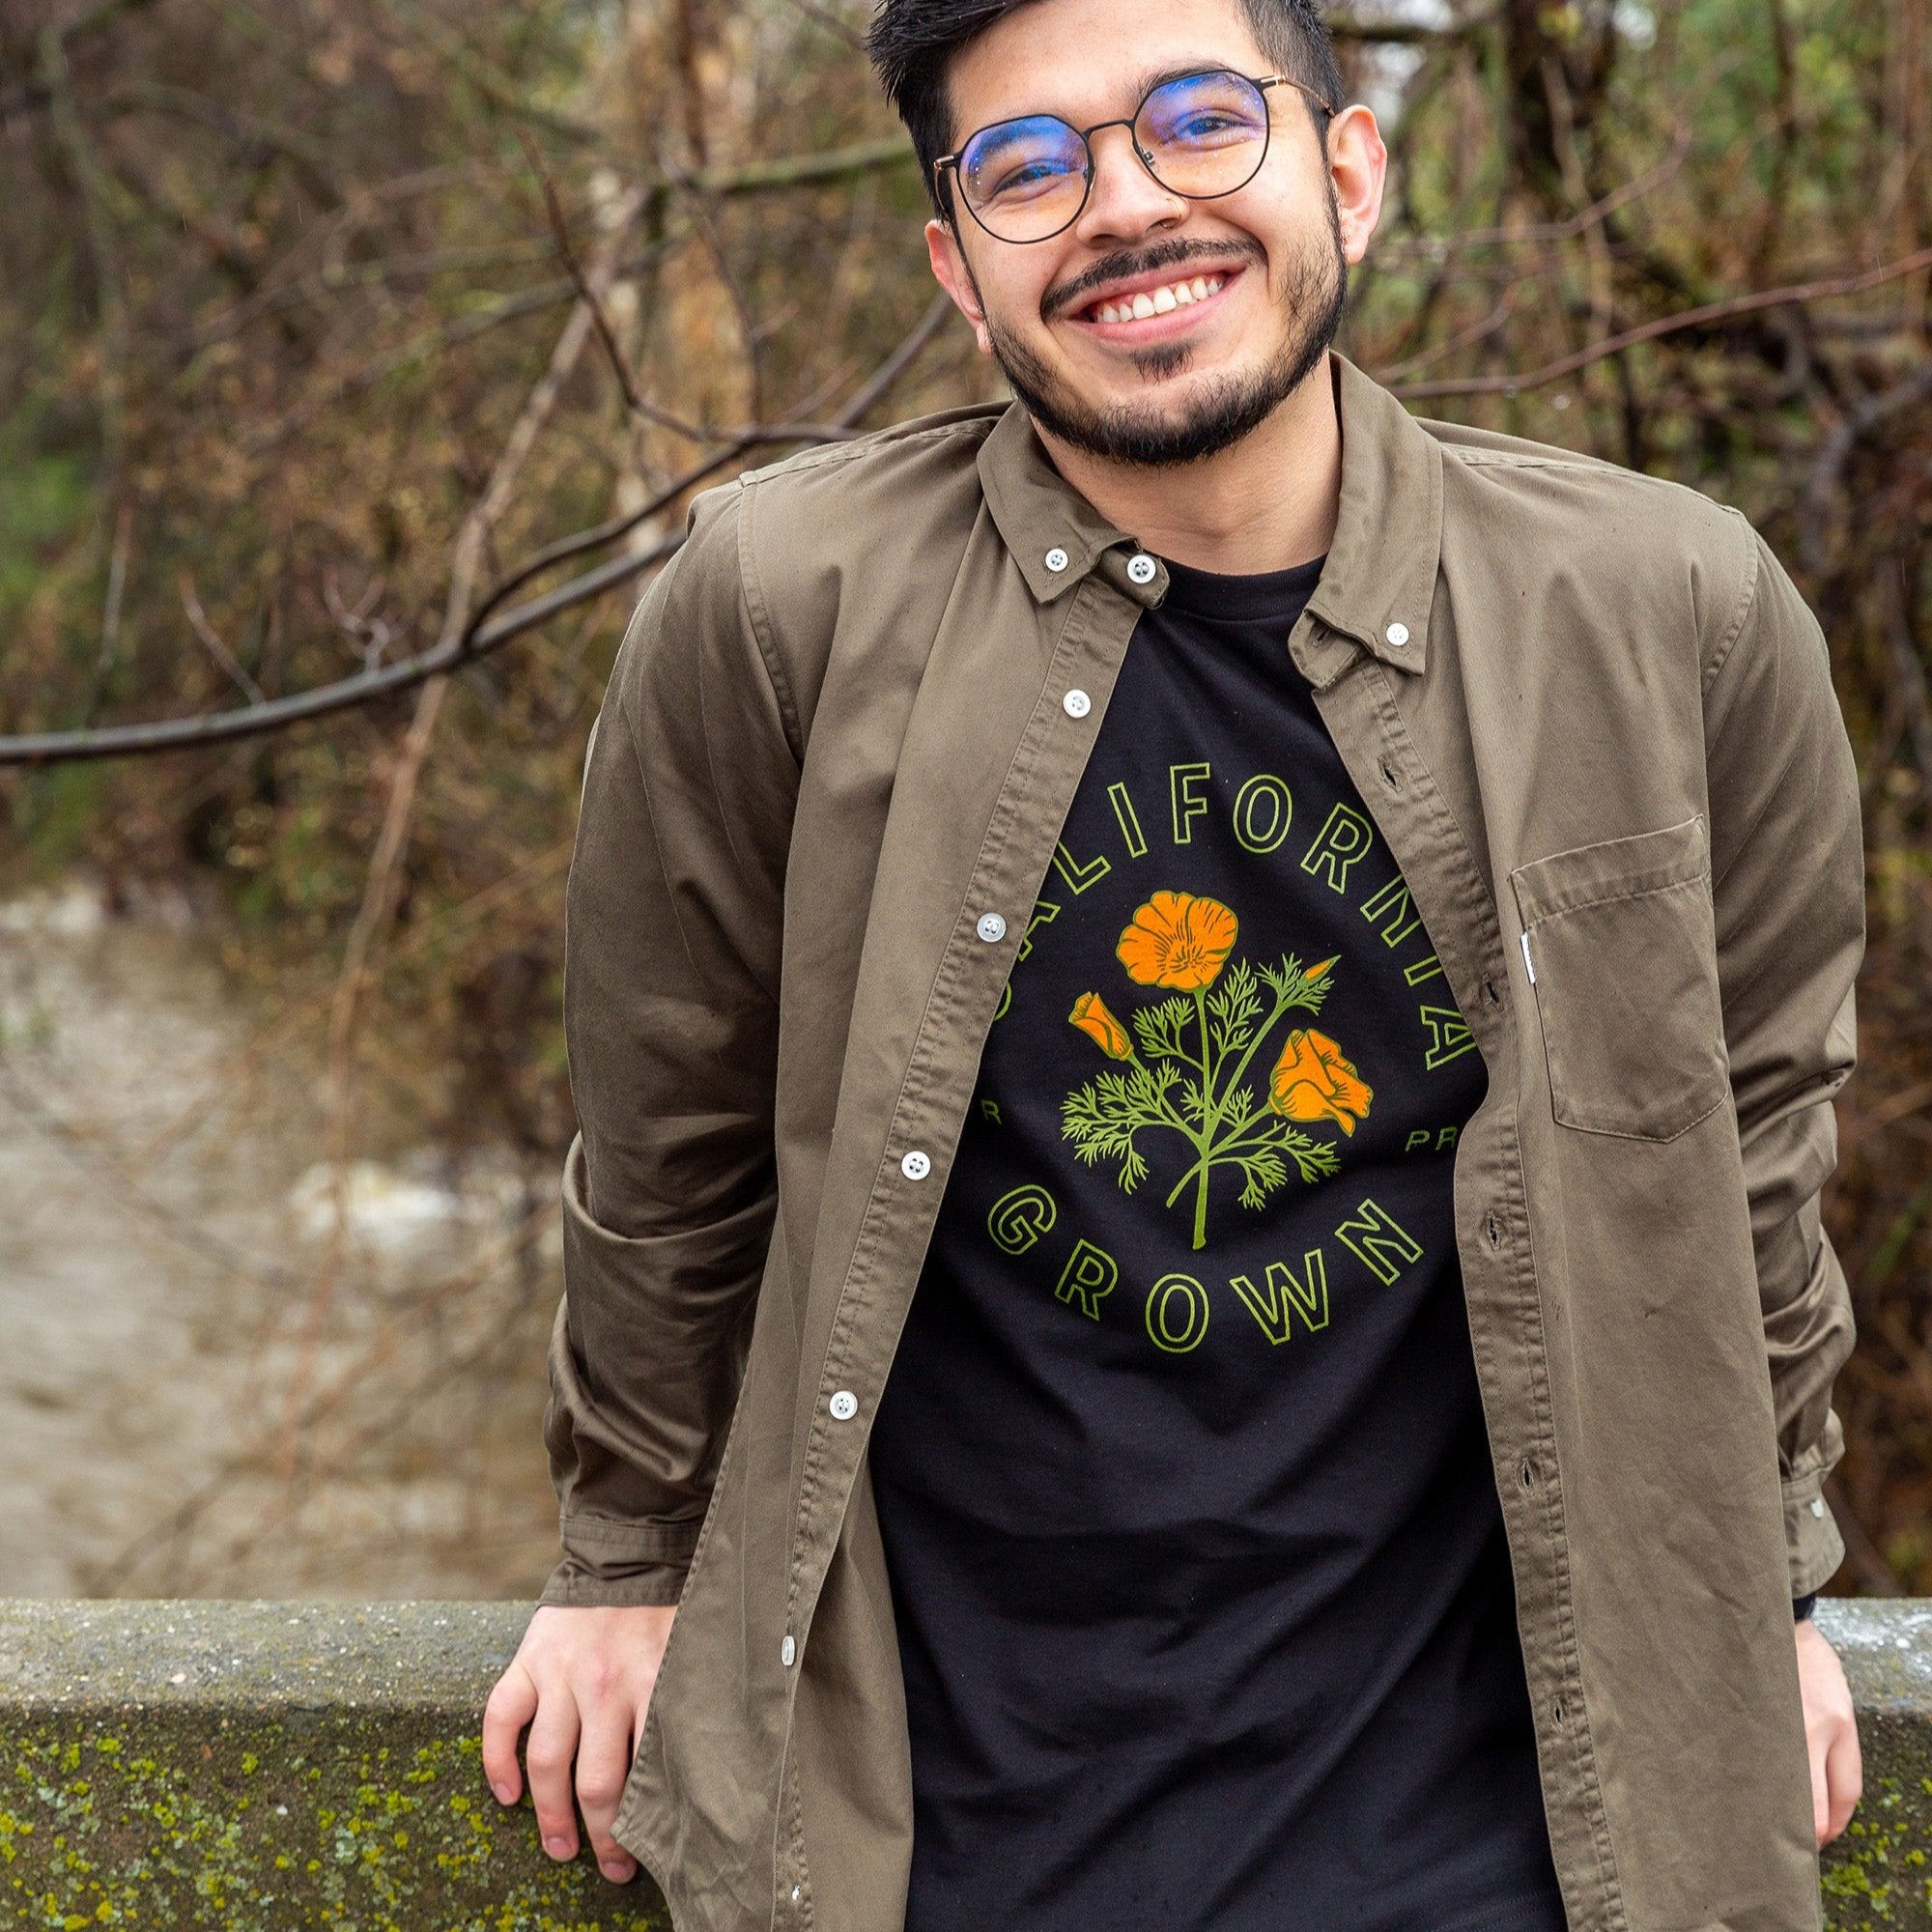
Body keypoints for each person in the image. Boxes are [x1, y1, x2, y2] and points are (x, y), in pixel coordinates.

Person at [481, 0, 1867, 1925]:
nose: (1124, 205)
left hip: (1505, 1851)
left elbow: (1751, 1138)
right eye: (1029, 166)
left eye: (1200, 124)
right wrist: (625, 1555)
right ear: (958, 269)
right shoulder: (775, 610)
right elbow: (668, 1136)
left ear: (1349, 171)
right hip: (942, 1837)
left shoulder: (1670, 609)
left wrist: (1759, 1589)